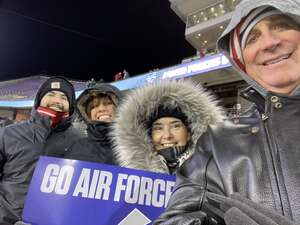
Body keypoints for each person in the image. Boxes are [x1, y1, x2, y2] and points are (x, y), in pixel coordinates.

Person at [154, 0, 300, 224]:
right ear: (241, 62)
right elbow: (182, 215)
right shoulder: (217, 142)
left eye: (281, 25)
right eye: (252, 38)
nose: (269, 43)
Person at [0, 76, 82, 225]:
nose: (57, 100)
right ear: (39, 100)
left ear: (70, 105)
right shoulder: (8, 133)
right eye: (51, 94)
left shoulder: (80, 140)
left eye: (64, 97)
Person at [112, 80, 224, 174]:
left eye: (175, 126)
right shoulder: (131, 177)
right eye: (158, 128)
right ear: (149, 136)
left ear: (189, 134)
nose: (167, 135)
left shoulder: (216, 171)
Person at [64, 83, 123, 164]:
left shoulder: (140, 144)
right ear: (88, 115)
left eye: (107, 103)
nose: (101, 109)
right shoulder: (77, 148)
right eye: (94, 106)